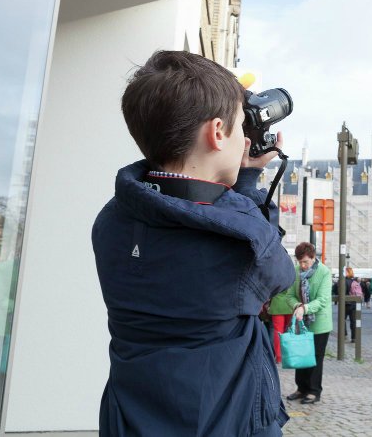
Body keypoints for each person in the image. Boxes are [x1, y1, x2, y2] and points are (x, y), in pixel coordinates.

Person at [92, 50, 295, 436]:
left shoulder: (112, 220)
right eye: (240, 127)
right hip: (220, 421)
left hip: (130, 418)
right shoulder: (241, 238)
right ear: (217, 133)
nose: (245, 140)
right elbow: (281, 276)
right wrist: (247, 181)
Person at [284, 242, 332, 405]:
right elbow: (289, 296)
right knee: (301, 354)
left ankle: (314, 391)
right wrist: (298, 305)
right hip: (301, 320)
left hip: (319, 322)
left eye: (305, 261)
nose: (303, 265)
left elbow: (323, 299)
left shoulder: (324, 272)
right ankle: (301, 388)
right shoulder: (296, 271)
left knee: (316, 357)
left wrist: (305, 308)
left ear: (313, 258)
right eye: (300, 262)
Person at [268, 265, 298, 364]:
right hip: (290, 305)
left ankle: (279, 357)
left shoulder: (275, 275)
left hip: (277, 306)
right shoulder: (292, 275)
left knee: (278, 331)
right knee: (289, 330)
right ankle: (289, 354)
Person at [344, 267, 362, 342]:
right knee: (353, 321)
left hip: (345, 304)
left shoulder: (343, 281)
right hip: (354, 303)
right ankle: (354, 337)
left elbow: (336, 290)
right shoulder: (355, 282)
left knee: (342, 320)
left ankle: (344, 334)